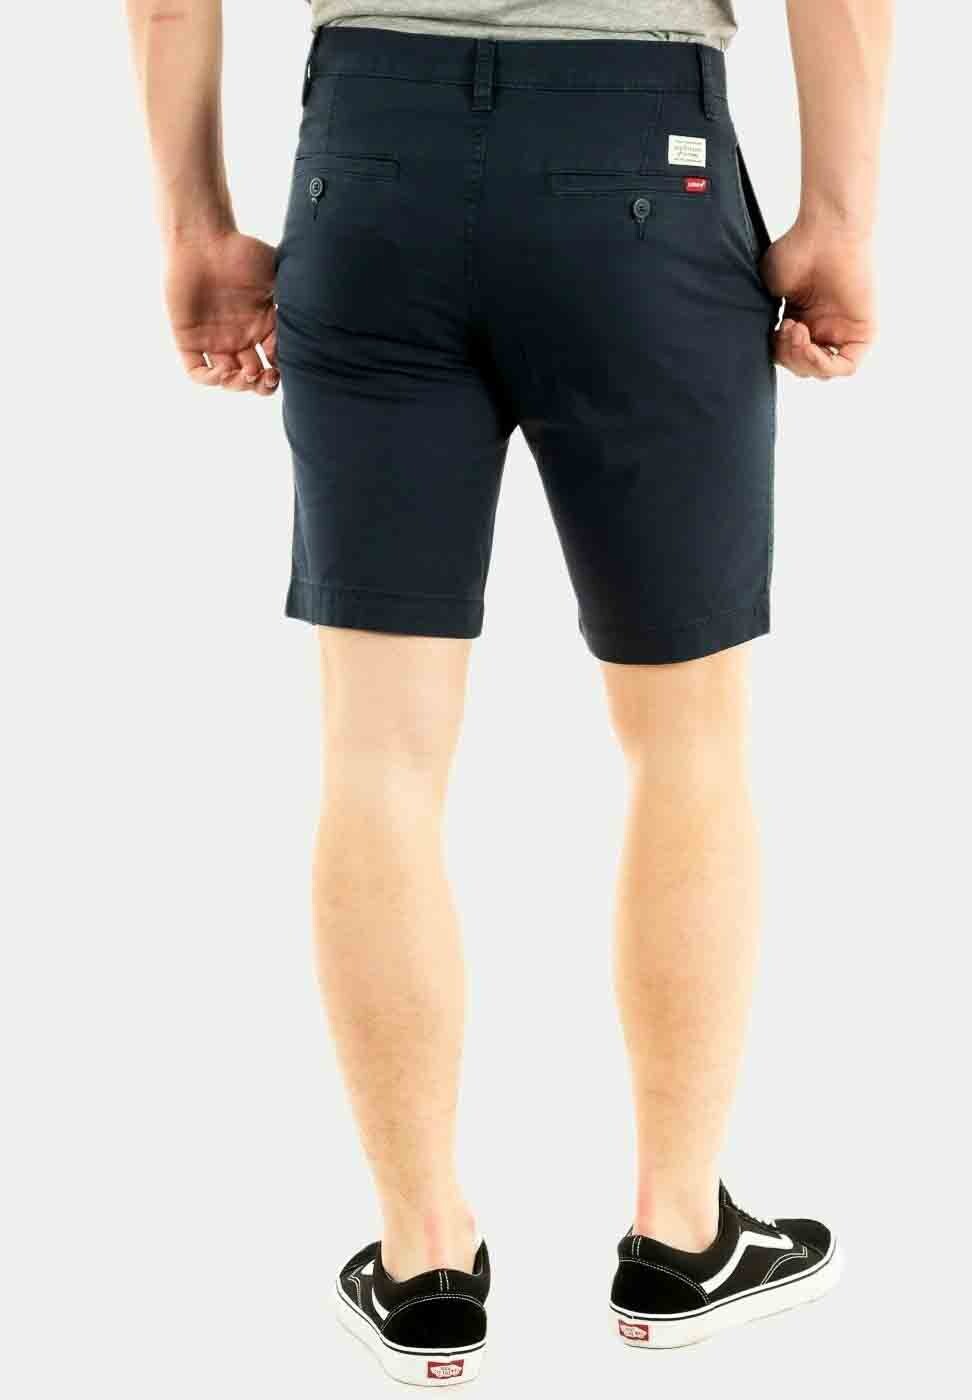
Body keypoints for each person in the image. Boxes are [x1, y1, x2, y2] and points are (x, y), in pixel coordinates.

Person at [126, 0, 892, 1385]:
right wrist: (839, 214)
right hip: (644, 154)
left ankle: (423, 1263)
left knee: (377, 756)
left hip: (372, 155)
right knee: (688, 740)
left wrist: (193, 223)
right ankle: (680, 1239)